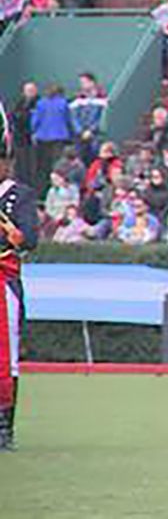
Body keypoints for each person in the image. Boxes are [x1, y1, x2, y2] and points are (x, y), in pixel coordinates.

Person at [0, 144, 39, 451]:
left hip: (4, 278)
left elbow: (30, 239)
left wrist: (16, 235)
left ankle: (4, 428)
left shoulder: (19, 196)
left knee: (7, 353)